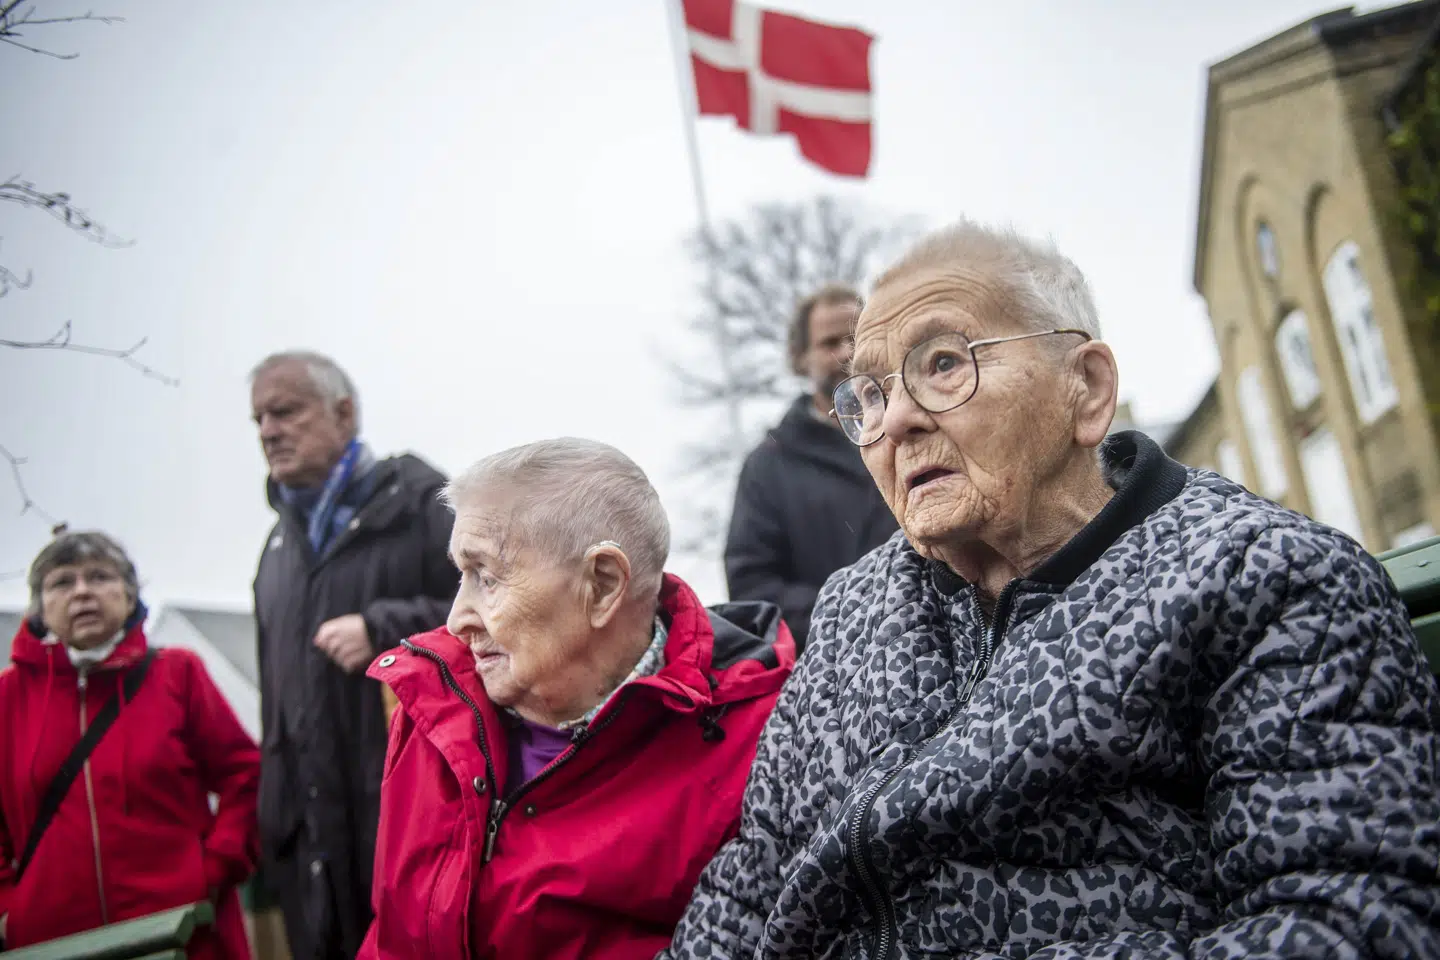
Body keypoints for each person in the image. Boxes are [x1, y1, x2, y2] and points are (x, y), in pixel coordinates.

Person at [665, 221, 1440, 959]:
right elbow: (751, 883)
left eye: (941, 363)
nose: (895, 418)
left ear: (1088, 388)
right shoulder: (852, 611)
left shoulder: (1260, 577)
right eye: (866, 394)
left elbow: (1349, 920)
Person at [359, 439, 795, 959]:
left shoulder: (767, 742)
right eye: (461, 575)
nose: (457, 620)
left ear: (603, 584)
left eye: (487, 577)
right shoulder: (431, 711)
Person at [249, 351, 457, 960]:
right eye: (258, 418)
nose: (267, 431)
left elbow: (497, 616)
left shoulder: (423, 504)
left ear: (343, 413)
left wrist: (384, 627)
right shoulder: (277, 550)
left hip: (405, 821)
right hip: (308, 843)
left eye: (284, 411)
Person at [0, 531, 259, 957]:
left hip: (182, 932)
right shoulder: (9, 698)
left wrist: (214, 869)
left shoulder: (178, 674)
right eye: (62, 582)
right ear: (39, 608)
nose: (82, 592)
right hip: (53, 943)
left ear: (129, 594)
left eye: (100, 577)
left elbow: (245, 776)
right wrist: (11, 909)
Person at [725, 284, 897, 651]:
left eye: (856, 337)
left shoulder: (910, 432)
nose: (847, 353)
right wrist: (855, 609)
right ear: (800, 358)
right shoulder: (767, 467)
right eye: (830, 343)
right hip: (829, 673)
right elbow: (752, 590)